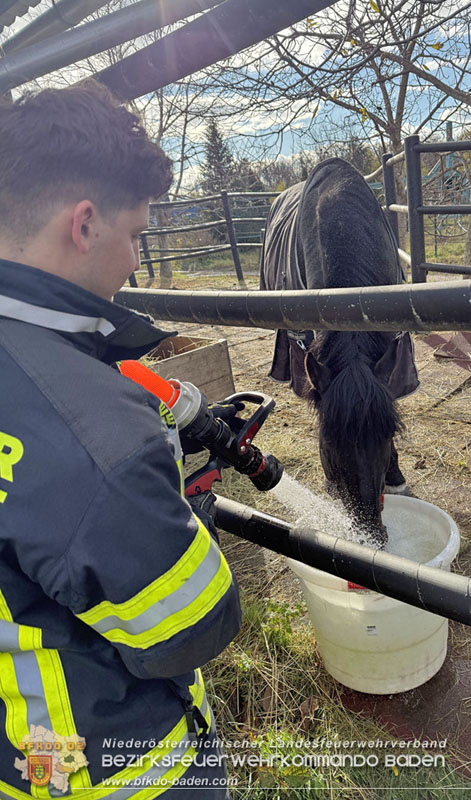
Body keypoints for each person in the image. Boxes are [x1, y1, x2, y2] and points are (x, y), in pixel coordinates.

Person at [0, 80, 241, 797]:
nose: (137, 259)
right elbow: (193, 628)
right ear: (83, 225)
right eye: (136, 234)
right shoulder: (99, 440)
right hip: (119, 768)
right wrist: (186, 505)